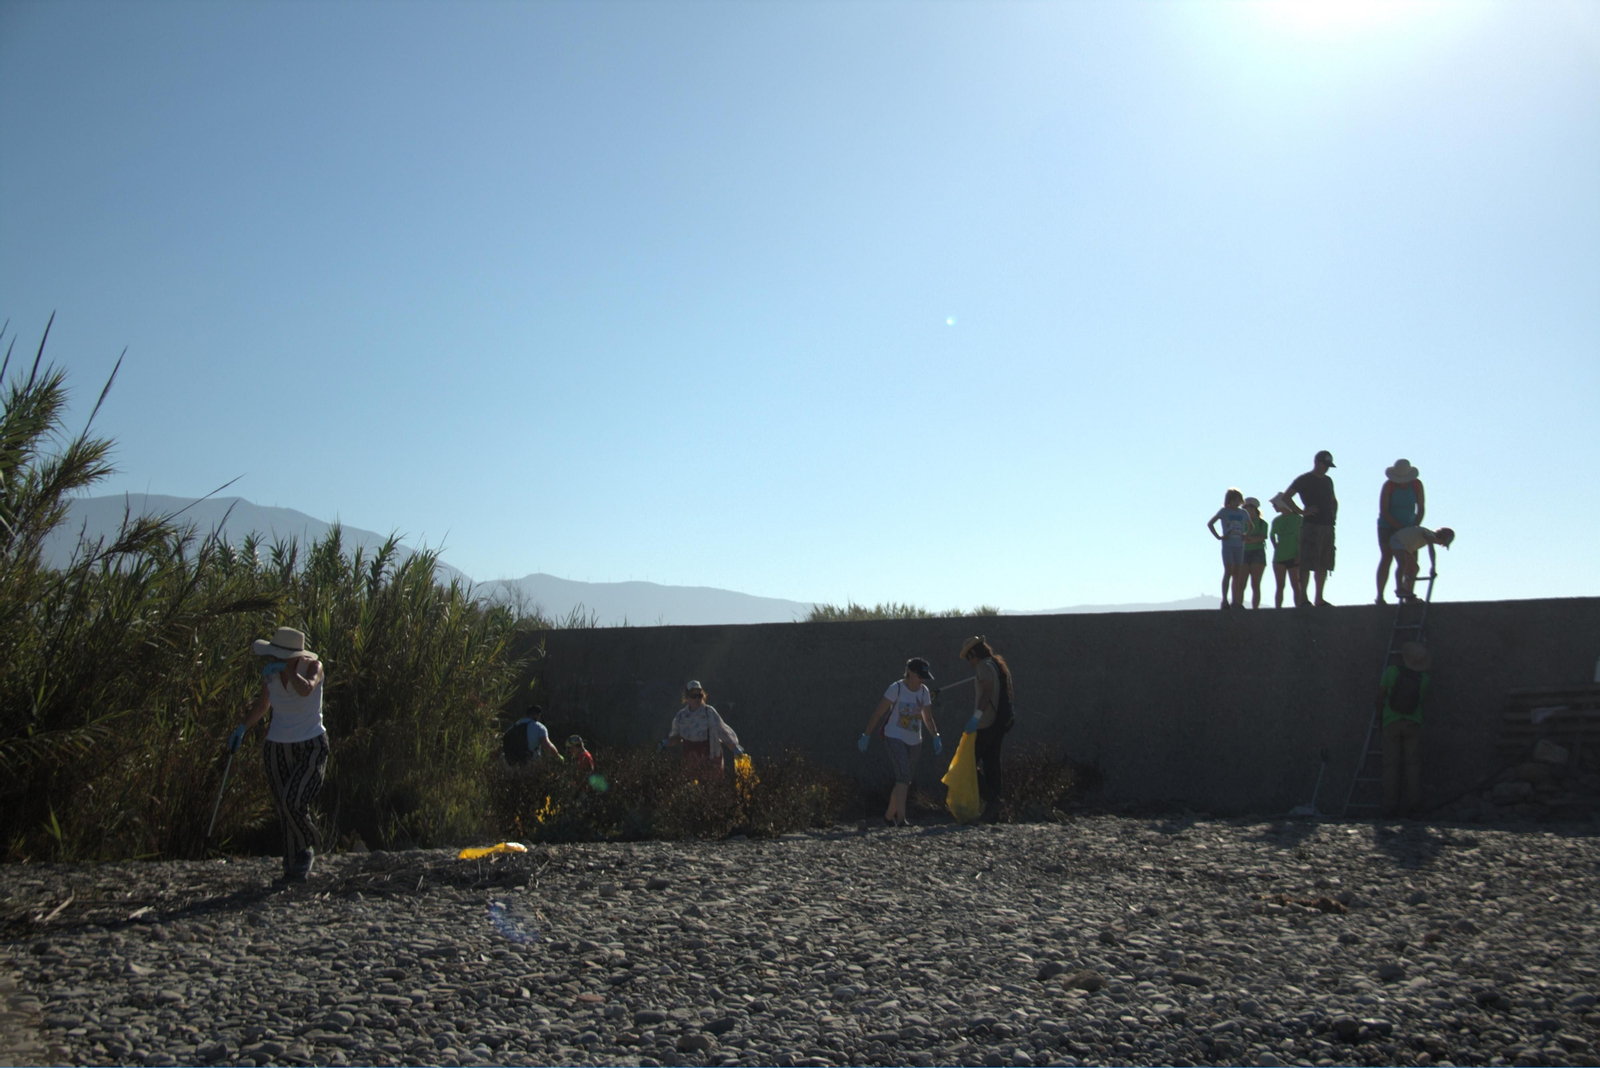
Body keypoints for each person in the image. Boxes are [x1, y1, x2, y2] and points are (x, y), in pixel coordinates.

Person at [227, 627, 329, 884]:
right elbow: (263, 705)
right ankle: (293, 867)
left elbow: (306, 689)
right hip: (277, 745)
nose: (273, 660)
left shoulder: (313, 667)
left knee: (293, 800)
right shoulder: (271, 675)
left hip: (310, 744)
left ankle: (308, 844)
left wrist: (288, 671)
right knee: (285, 806)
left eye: (279, 656)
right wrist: (243, 727)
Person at [858, 657, 943, 827]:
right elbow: (878, 713)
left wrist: (935, 736)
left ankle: (888, 817)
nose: (922, 680)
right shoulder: (896, 688)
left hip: (914, 741)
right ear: (910, 673)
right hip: (894, 736)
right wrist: (866, 735)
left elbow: (927, 718)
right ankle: (901, 819)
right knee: (903, 774)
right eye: (919, 676)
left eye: (924, 678)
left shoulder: (924, 691)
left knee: (904, 779)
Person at [960, 636, 1014, 823]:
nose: (970, 662)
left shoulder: (983, 666)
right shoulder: (999, 666)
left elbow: (987, 692)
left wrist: (975, 717)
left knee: (966, 764)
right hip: (1000, 723)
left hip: (985, 724)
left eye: (969, 658)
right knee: (992, 766)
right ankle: (997, 814)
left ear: (974, 653)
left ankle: (993, 802)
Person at [1377, 641, 1432, 818]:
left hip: (1391, 723)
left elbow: (1380, 696)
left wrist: (1381, 717)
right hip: (1413, 724)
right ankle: (1414, 806)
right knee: (1413, 767)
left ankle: (1389, 807)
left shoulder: (1392, 671)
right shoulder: (1424, 679)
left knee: (1391, 767)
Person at [1281, 450, 1339, 606]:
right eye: (1324, 465)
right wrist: (1302, 512)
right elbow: (1286, 497)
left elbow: (1334, 500)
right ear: (1317, 462)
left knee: (1324, 563)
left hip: (1327, 525)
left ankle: (1319, 598)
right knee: (1306, 562)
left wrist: (1334, 516)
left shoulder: (1328, 481)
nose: (1326, 468)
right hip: (1311, 525)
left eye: (1328, 466)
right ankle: (1303, 598)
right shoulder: (1304, 479)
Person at [660, 680, 743, 779]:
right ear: (687, 697)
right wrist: (666, 743)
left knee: (711, 788)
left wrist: (734, 747)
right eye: (693, 696)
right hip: (690, 758)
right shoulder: (681, 716)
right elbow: (677, 737)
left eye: (699, 695)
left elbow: (722, 731)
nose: (697, 699)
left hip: (710, 758)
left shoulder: (709, 713)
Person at [1375, 459, 1426, 604]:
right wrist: (1399, 527)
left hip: (1409, 528)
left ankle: (1408, 594)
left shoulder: (1416, 485)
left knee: (1411, 561)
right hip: (1388, 527)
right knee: (1387, 557)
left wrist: (1414, 527)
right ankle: (1380, 596)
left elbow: (1421, 508)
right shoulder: (1388, 486)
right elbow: (1384, 511)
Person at [1206, 488, 1250, 609]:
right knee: (1228, 571)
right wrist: (1219, 537)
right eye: (1233, 500)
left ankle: (1236, 600)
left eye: (1238, 500)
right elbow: (1210, 523)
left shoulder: (1243, 513)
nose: (1236, 502)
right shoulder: (1224, 511)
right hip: (1228, 545)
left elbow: (1250, 526)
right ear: (1228, 500)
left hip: (1239, 545)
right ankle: (1225, 600)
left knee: (1237, 573)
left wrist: (1245, 535)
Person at [1389, 524, 1455, 603]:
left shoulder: (1427, 533)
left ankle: (1408, 596)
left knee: (1414, 568)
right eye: (1442, 542)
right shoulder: (1429, 535)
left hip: (1403, 546)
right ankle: (1399, 588)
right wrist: (1433, 567)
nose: (1440, 544)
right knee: (1402, 563)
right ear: (1442, 537)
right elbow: (1431, 550)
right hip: (1397, 541)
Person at [1268, 492, 1304, 608]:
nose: (1274, 507)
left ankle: (1299, 609)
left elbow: (1302, 539)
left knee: (1296, 585)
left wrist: (1299, 554)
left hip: (1294, 556)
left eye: (1275, 504)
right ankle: (1278, 609)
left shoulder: (1298, 519)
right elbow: (1272, 535)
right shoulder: (1276, 521)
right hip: (1279, 558)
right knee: (1280, 586)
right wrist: (1275, 545)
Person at [502, 705, 562, 769]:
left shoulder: (511, 728)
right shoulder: (539, 727)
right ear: (538, 715)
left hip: (509, 768)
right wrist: (558, 757)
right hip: (529, 768)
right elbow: (546, 745)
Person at [1242, 497, 1269, 610]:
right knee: (1241, 582)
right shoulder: (1242, 522)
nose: (1244, 509)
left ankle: (1255, 608)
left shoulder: (1262, 523)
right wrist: (1253, 539)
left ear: (1253, 507)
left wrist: (1249, 538)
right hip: (1243, 552)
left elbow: (1262, 537)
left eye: (1246, 507)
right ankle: (1238, 605)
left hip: (1257, 553)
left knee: (1255, 584)